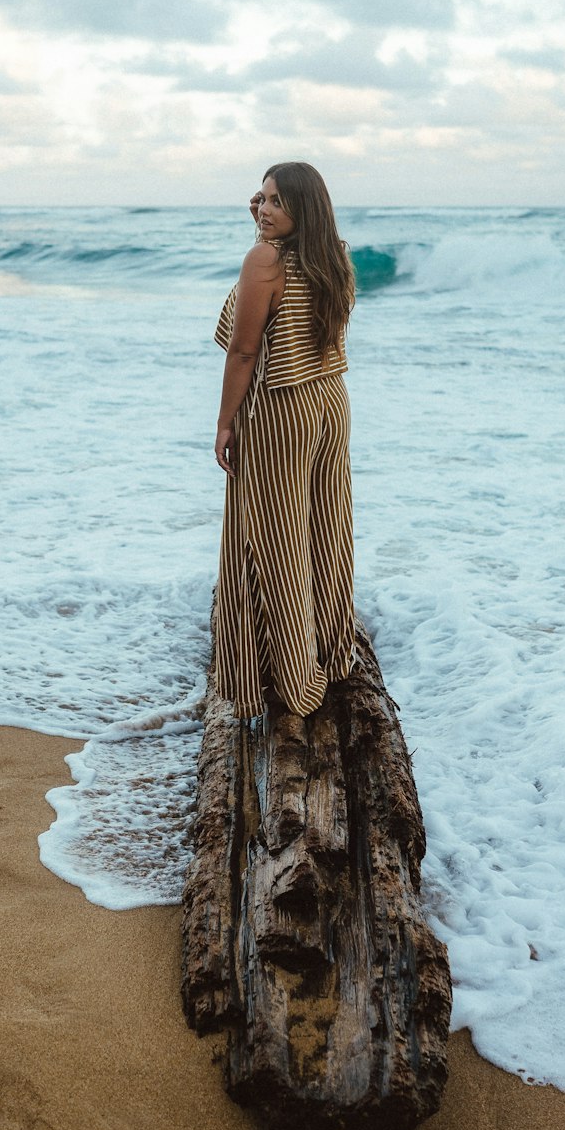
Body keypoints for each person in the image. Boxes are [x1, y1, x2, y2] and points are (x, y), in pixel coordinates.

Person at [213, 162, 356, 719]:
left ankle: (295, 682)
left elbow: (244, 351)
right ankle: (331, 653)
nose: (264, 209)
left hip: (280, 408)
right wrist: (268, 215)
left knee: (273, 541)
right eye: (262, 199)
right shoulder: (333, 257)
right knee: (325, 525)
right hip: (329, 401)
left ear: (303, 208)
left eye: (276, 201)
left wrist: (225, 421)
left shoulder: (264, 261)